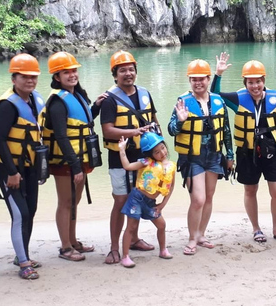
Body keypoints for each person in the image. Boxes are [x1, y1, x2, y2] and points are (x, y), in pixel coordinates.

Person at [212, 53, 276, 244]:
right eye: (250, 82)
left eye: (258, 82)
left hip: (272, 151)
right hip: (247, 153)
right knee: (250, 190)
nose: (255, 86)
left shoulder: (274, 98)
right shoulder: (238, 99)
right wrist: (218, 74)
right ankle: (256, 229)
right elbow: (215, 96)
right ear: (245, 82)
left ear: (264, 81)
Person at [0, 54, 46, 279]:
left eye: (33, 77)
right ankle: (23, 263)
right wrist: (12, 172)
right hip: (9, 167)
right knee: (20, 214)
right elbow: (0, 140)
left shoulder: (34, 99)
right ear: (14, 78)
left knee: (31, 210)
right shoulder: (7, 105)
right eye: (25, 77)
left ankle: (23, 254)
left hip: (29, 165)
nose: (30, 81)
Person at [168, 59, 234, 255]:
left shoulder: (218, 100)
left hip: (213, 155)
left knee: (209, 197)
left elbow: (227, 130)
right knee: (198, 199)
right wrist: (180, 122)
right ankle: (191, 238)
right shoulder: (182, 102)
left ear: (208, 79)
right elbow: (171, 130)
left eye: (202, 79)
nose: (198, 83)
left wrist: (230, 155)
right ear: (189, 80)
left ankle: (201, 234)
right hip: (192, 157)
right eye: (194, 79)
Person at [99, 50, 158, 264]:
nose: (128, 73)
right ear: (115, 75)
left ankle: (133, 238)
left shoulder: (144, 93)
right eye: (122, 70)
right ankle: (114, 248)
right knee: (121, 201)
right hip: (120, 157)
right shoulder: (109, 100)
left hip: (143, 156)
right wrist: (133, 133)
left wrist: (159, 149)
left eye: (131, 69)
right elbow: (107, 131)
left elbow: (154, 120)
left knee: (138, 197)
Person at [41, 51, 99, 262]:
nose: (72, 75)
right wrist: (75, 165)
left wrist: (97, 107)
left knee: (75, 201)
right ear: (57, 77)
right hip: (66, 161)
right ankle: (65, 247)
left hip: (79, 159)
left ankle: (73, 241)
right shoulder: (57, 101)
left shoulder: (77, 95)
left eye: (74, 71)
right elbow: (62, 136)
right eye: (66, 72)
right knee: (66, 202)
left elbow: (82, 122)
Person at [117, 132, 177, 268]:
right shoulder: (146, 162)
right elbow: (127, 166)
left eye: (162, 147)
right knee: (131, 227)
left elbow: (171, 186)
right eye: (156, 152)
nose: (162, 153)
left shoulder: (171, 166)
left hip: (151, 203)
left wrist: (162, 205)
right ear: (150, 154)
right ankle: (125, 256)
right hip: (137, 198)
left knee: (161, 225)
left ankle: (163, 250)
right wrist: (122, 150)